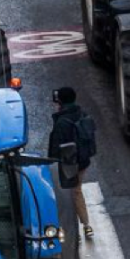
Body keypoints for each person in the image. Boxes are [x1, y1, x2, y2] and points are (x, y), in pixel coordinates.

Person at [48, 87, 97, 237]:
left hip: (68, 162)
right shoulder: (83, 114)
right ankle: (86, 225)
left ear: (60, 101)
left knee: (64, 193)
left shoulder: (62, 121)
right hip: (83, 161)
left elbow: (55, 148)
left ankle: (68, 227)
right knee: (77, 191)